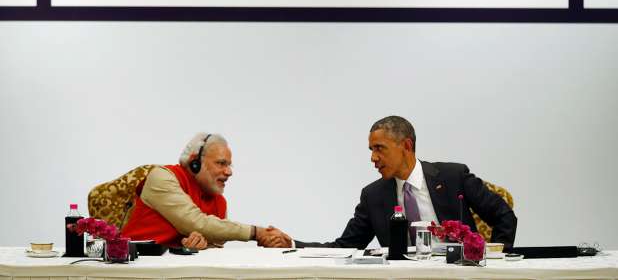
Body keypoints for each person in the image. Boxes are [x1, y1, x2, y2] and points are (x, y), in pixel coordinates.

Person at [292, 115, 517, 249]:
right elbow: (344, 247)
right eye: (371, 150)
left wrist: (495, 262)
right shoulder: (373, 196)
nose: (373, 158)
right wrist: (294, 245)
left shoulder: (453, 176)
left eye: (379, 148)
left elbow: (504, 216)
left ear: (406, 146)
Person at [122, 133, 289, 249]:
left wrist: (200, 246)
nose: (229, 172)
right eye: (221, 163)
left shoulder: (219, 201)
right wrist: (256, 233)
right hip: (136, 267)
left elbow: (215, 244)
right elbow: (196, 223)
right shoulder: (162, 177)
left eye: (229, 165)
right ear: (195, 162)